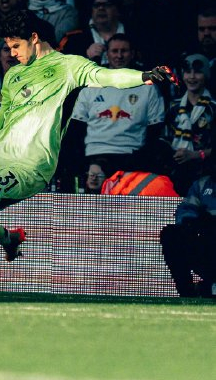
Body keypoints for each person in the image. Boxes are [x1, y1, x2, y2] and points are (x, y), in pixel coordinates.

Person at [0, 8, 177, 294]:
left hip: (30, 164)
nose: (12, 53)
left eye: (16, 45)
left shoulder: (68, 65)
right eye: (8, 47)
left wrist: (145, 76)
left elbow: (108, 77)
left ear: (34, 38)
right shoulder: (14, 75)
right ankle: (8, 238)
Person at [70, 33, 165, 175]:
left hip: (132, 155)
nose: (119, 56)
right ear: (107, 54)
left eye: (124, 51)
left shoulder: (148, 88)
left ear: (132, 54)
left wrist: (142, 157)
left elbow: (155, 129)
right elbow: (77, 127)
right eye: (114, 51)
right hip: (95, 155)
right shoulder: (91, 85)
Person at [160, 157, 216, 297]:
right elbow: (186, 211)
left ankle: (208, 287)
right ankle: (187, 293)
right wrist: (192, 223)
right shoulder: (202, 184)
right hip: (208, 241)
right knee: (171, 235)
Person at [163, 53, 216, 196]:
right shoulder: (173, 106)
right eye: (187, 72)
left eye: (198, 72)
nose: (192, 77)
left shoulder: (213, 108)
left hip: (207, 176)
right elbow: (164, 138)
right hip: (175, 174)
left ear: (206, 75)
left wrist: (195, 155)